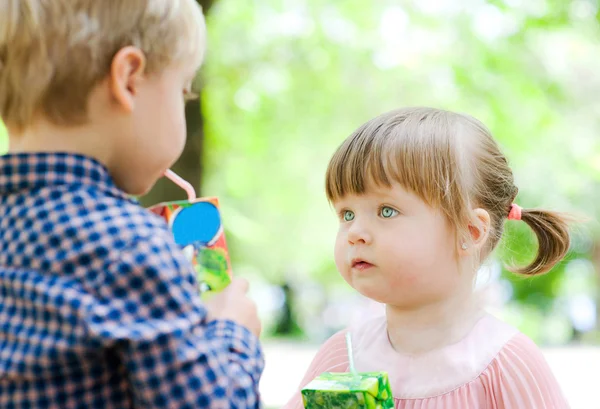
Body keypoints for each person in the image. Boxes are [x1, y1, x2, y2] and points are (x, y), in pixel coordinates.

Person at [0, 1, 263, 407]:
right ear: (129, 79)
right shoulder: (132, 247)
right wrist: (233, 334)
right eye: (183, 89)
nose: (184, 101)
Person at [284, 107, 571, 408]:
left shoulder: (503, 363)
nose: (355, 232)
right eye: (347, 214)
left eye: (386, 211)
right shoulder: (344, 356)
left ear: (470, 232)